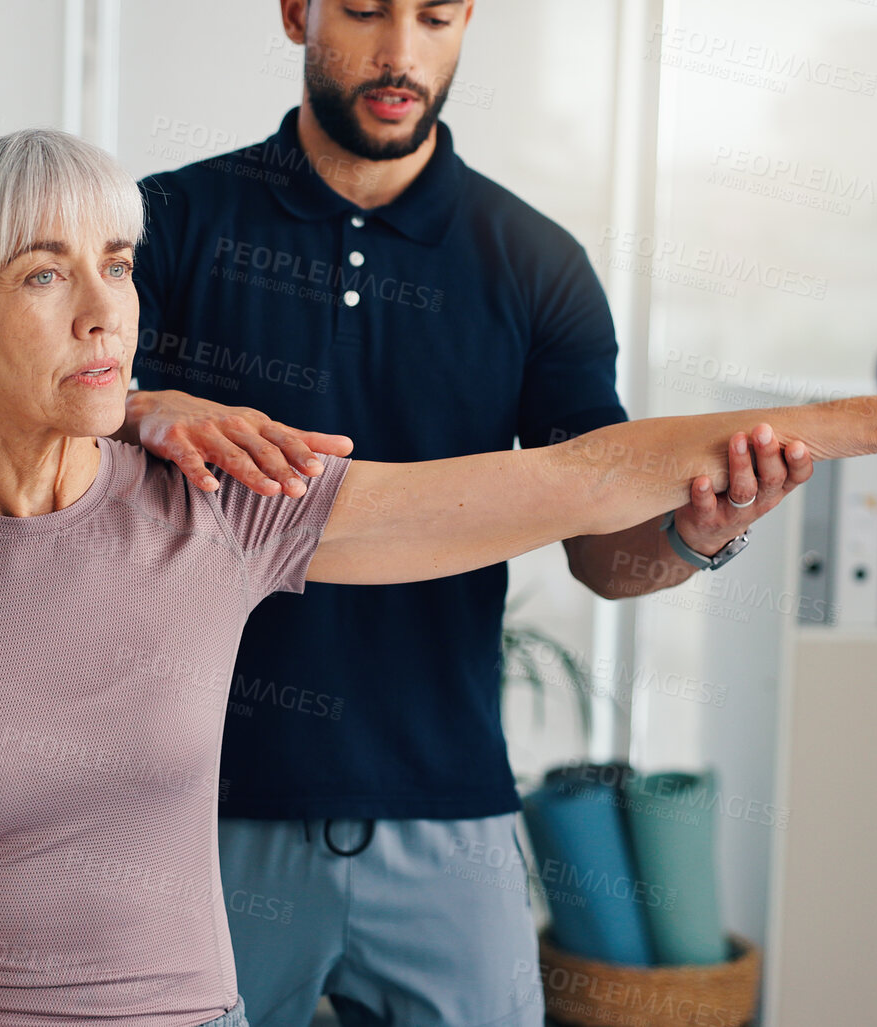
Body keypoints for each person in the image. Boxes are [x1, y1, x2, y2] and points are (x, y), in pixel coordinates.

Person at [0, 127, 877, 1027]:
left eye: (114, 262)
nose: (102, 307)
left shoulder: (213, 510)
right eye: (45, 273)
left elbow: (570, 476)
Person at [115, 3, 821, 1022]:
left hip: (450, 816)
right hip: (204, 812)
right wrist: (142, 408)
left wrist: (692, 535)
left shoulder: (536, 263)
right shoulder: (169, 225)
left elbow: (602, 554)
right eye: (363, 11)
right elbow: (37, 436)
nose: (402, 53)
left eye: (436, 15)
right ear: (295, 12)